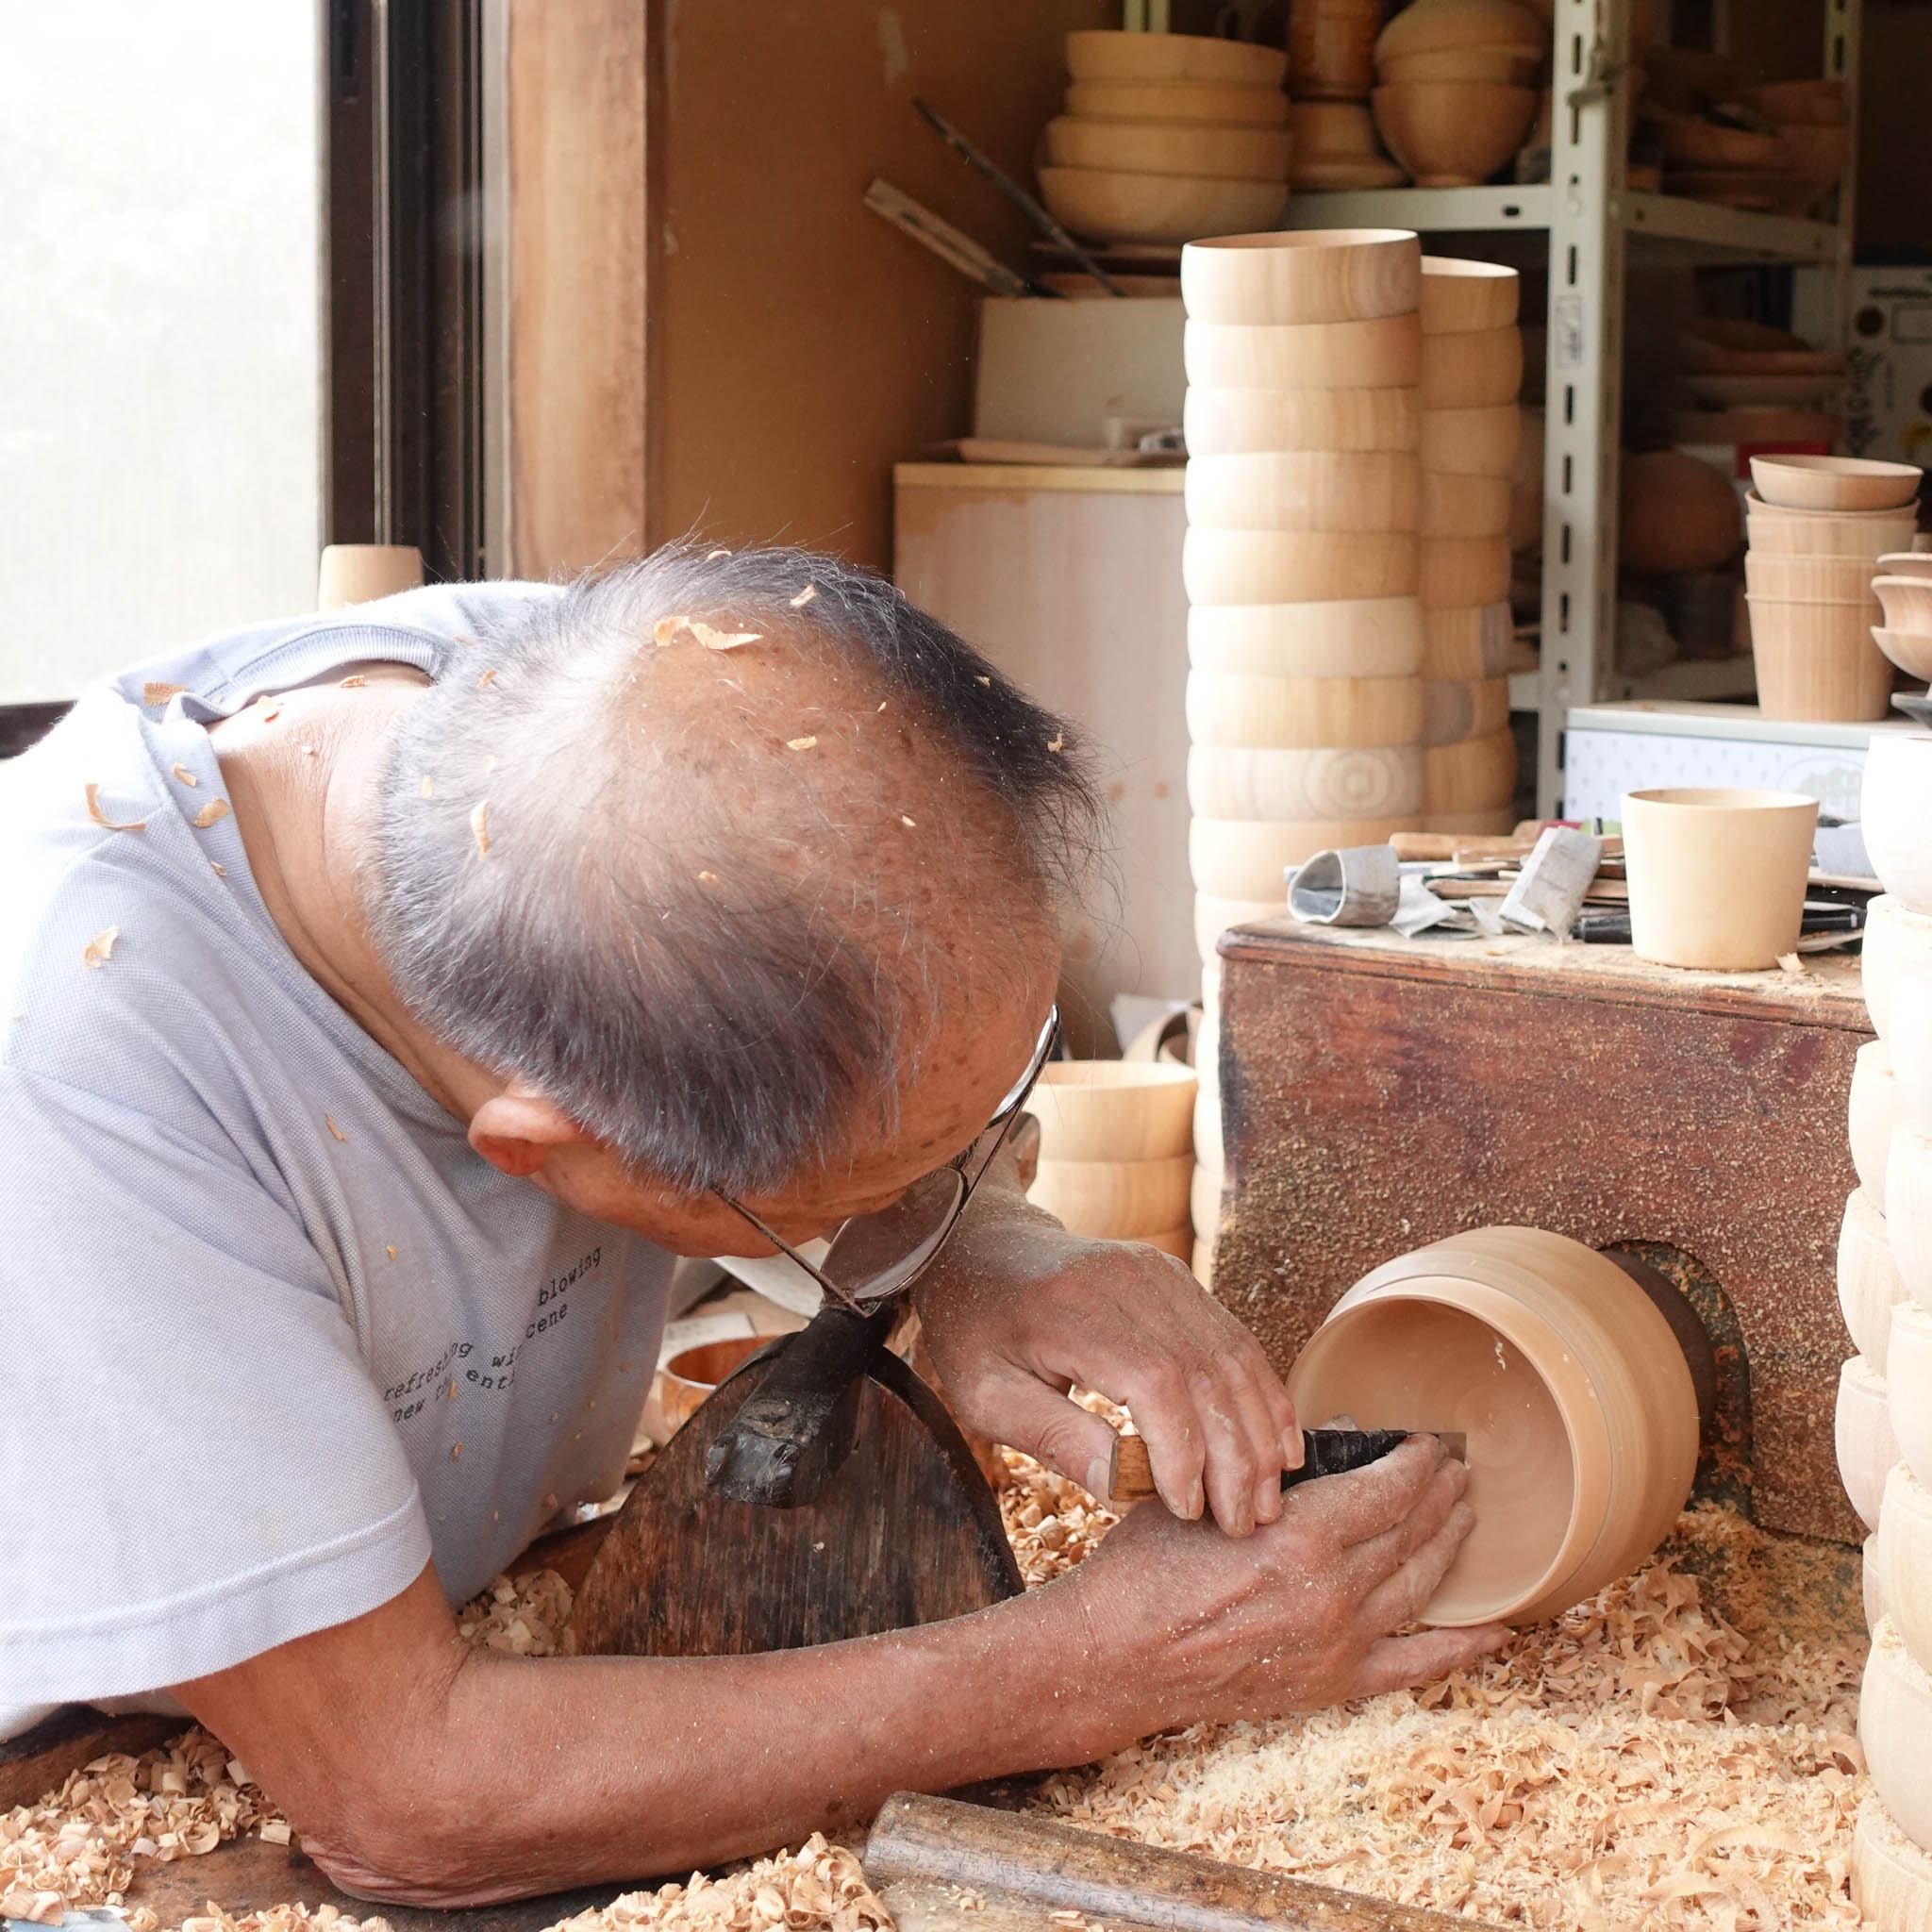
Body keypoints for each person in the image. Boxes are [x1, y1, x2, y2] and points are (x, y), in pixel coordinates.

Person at [0, 546, 1498, 1903]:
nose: (939, 1178)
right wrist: (1104, 1667)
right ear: (541, 1152)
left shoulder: (632, 709)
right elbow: (411, 1797)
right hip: (86, 1754)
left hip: (465, 1585)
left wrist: (982, 1244)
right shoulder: (85, 1072)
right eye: (853, 1185)